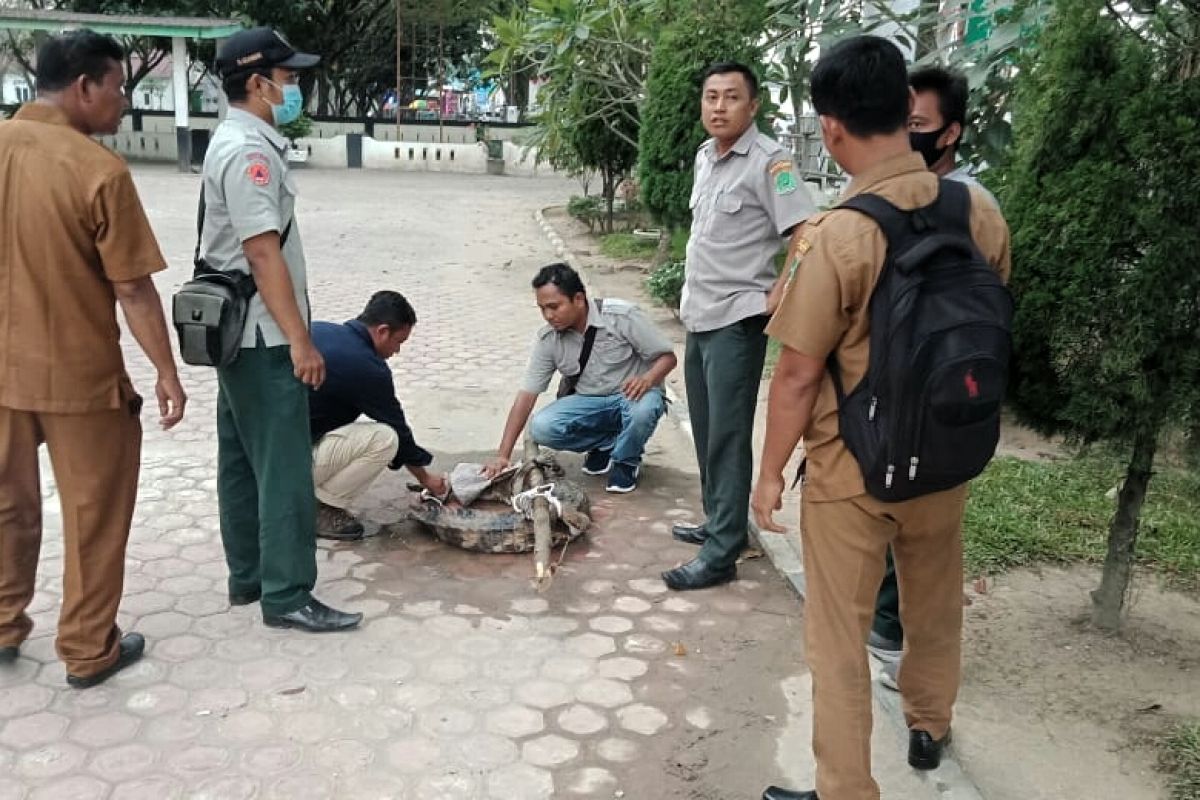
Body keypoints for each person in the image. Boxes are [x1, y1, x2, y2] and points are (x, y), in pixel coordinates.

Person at [751, 36, 1010, 800]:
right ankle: (930, 724)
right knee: (933, 603)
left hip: (853, 473)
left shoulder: (837, 235)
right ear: (906, 109)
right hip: (949, 452)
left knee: (837, 638)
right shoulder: (980, 210)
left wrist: (768, 475)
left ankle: (844, 789)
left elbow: (797, 375)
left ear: (831, 129)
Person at [0, 31, 186, 687]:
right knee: (95, 515)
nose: (123, 102)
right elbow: (132, 287)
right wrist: (166, 371)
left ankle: (1, 624)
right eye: (118, 86)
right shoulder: (97, 170)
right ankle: (86, 649)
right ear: (85, 86)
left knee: (5, 504)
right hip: (77, 379)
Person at [202, 28, 360, 634]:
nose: (294, 86)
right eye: (288, 78)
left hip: (235, 333)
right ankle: (288, 593)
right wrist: (301, 340)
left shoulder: (233, 140)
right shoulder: (251, 153)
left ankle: (249, 576)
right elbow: (263, 254)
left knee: (241, 460)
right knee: (284, 467)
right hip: (264, 337)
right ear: (258, 83)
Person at [664, 62, 815, 591]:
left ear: (753, 106)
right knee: (706, 429)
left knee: (727, 434)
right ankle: (719, 522)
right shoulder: (707, 157)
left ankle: (723, 551)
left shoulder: (771, 162)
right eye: (711, 97)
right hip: (700, 315)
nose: (719, 107)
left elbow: (805, 232)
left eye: (731, 97)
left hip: (736, 319)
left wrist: (781, 292)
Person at [870, 64, 1001, 674]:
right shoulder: (883, 201)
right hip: (885, 393)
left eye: (918, 124)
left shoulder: (975, 207)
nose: (907, 135)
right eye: (902, 122)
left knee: (925, 529)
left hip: (945, 394)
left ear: (950, 134)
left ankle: (903, 643)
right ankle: (886, 625)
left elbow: (991, 299)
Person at [485, 263, 677, 493]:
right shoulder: (548, 340)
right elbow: (526, 396)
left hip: (632, 397)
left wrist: (647, 379)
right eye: (542, 308)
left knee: (643, 410)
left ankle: (627, 461)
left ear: (578, 299)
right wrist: (502, 456)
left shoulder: (622, 317)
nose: (548, 315)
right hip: (590, 403)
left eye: (554, 307)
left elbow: (668, 358)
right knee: (541, 427)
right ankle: (605, 443)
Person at [309, 291, 447, 540]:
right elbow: (399, 432)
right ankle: (321, 508)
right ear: (382, 331)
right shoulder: (367, 367)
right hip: (289, 465)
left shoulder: (318, 330)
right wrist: (427, 479)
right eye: (399, 342)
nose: (397, 352)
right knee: (385, 438)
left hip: (262, 455)